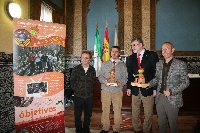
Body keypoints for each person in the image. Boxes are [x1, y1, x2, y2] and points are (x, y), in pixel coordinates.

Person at [148, 42, 189, 133]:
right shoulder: (158, 64)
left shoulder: (180, 64)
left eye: (166, 49)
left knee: (173, 125)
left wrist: (171, 91)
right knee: (161, 124)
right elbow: (156, 79)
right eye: (162, 49)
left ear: (172, 50)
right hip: (160, 98)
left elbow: (186, 82)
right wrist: (147, 84)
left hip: (173, 99)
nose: (164, 51)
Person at [126, 37, 159, 133]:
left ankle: (146, 130)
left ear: (141, 45)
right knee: (135, 112)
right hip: (135, 89)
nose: (132, 47)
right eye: (131, 45)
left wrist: (154, 88)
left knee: (148, 113)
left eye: (134, 45)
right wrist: (129, 87)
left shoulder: (152, 55)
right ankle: (137, 129)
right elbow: (130, 74)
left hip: (148, 88)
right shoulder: (130, 58)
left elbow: (156, 73)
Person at [98, 46, 127, 133]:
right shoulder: (105, 64)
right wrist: (104, 82)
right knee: (105, 109)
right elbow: (100, 76)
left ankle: (116, 129)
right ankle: (105, 128)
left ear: (119, 53)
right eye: (112, 51)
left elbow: (125, 78)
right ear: (110, 53)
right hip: (106, 90)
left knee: (117, 109)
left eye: (116, 51)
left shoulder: (122, 65)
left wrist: (120, 83)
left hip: (117, 91)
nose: (114, 53)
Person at [70, 50, 96, 133]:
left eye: (86, 58)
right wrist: (77, 90)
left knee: (88, 115)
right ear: (80, 59)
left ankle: (86, 129)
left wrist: (88, 89)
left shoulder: (92, 69)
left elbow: (93, 81)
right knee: (77, 115)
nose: (84, 60)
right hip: (78, 96)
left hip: (89, 96)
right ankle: (78, 130)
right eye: (82, 58)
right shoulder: (76, 69)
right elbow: (72, 82)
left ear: (90, 60)